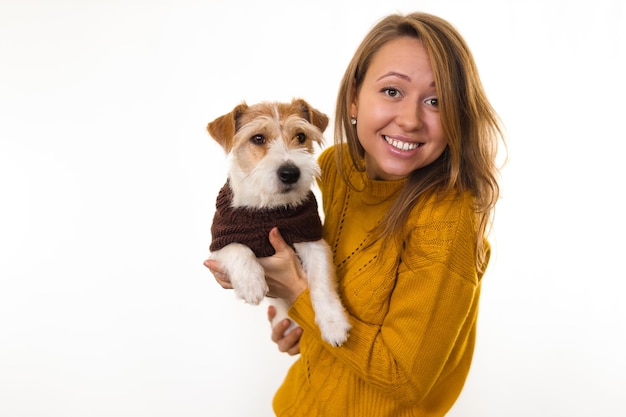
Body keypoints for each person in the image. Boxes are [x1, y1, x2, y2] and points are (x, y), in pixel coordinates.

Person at [205, 11, 504, 416]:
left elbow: (404, 377)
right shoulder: (337, 168)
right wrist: (297, 318)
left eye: (436, 101)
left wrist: (299, 295)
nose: (411, 119)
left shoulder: (448, 221)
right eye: (393, 91)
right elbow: (336, 271)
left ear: (458, 116)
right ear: (353, 100)